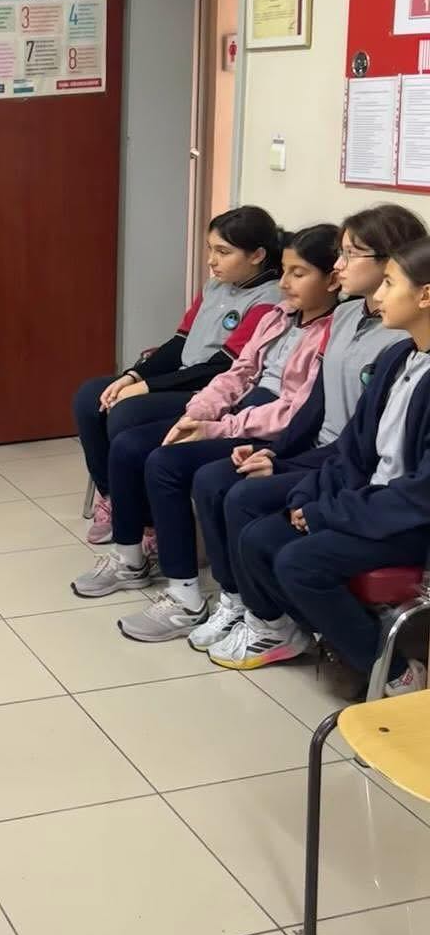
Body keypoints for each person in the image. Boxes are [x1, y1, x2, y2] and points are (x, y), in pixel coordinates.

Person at [75, 225, 340, 638]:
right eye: (285, 271)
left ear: (333, 279)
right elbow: (238, 373)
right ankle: (129, 558)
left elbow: (294, 410)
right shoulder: (279, 316)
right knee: (128, 445)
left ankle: (186, 597)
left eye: (298, 273)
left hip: (270, 429)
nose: (284, 283)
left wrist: (219, 428)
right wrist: (196, 414)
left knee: (165, 464)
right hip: (236, 411)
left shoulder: (331, 334)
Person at [190, 203, 426, 658]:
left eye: (391, 283)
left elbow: (414, 494)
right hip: (364, 491)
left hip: (402, 516)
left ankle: (392, 670)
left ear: (424, 295)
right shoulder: (400, 355)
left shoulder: (398, 346)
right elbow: (353, 445)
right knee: (258, 533)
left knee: (295, 558)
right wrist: (300, 484)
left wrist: (326, 510)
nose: (339, 267)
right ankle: (281, 624)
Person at [74, 206, 282, 546]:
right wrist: (132, 376)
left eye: (223, 252)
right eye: (210, 249)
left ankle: (146, 520)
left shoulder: (269, 300)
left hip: (211, 389)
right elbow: (179, 342)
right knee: (90, 396)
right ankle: (115, 496)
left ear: (257, 255)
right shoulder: (215, 286)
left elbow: (221, 367)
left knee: (125, 414)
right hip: (182, 376)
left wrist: (147, 387)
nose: (211, 261)